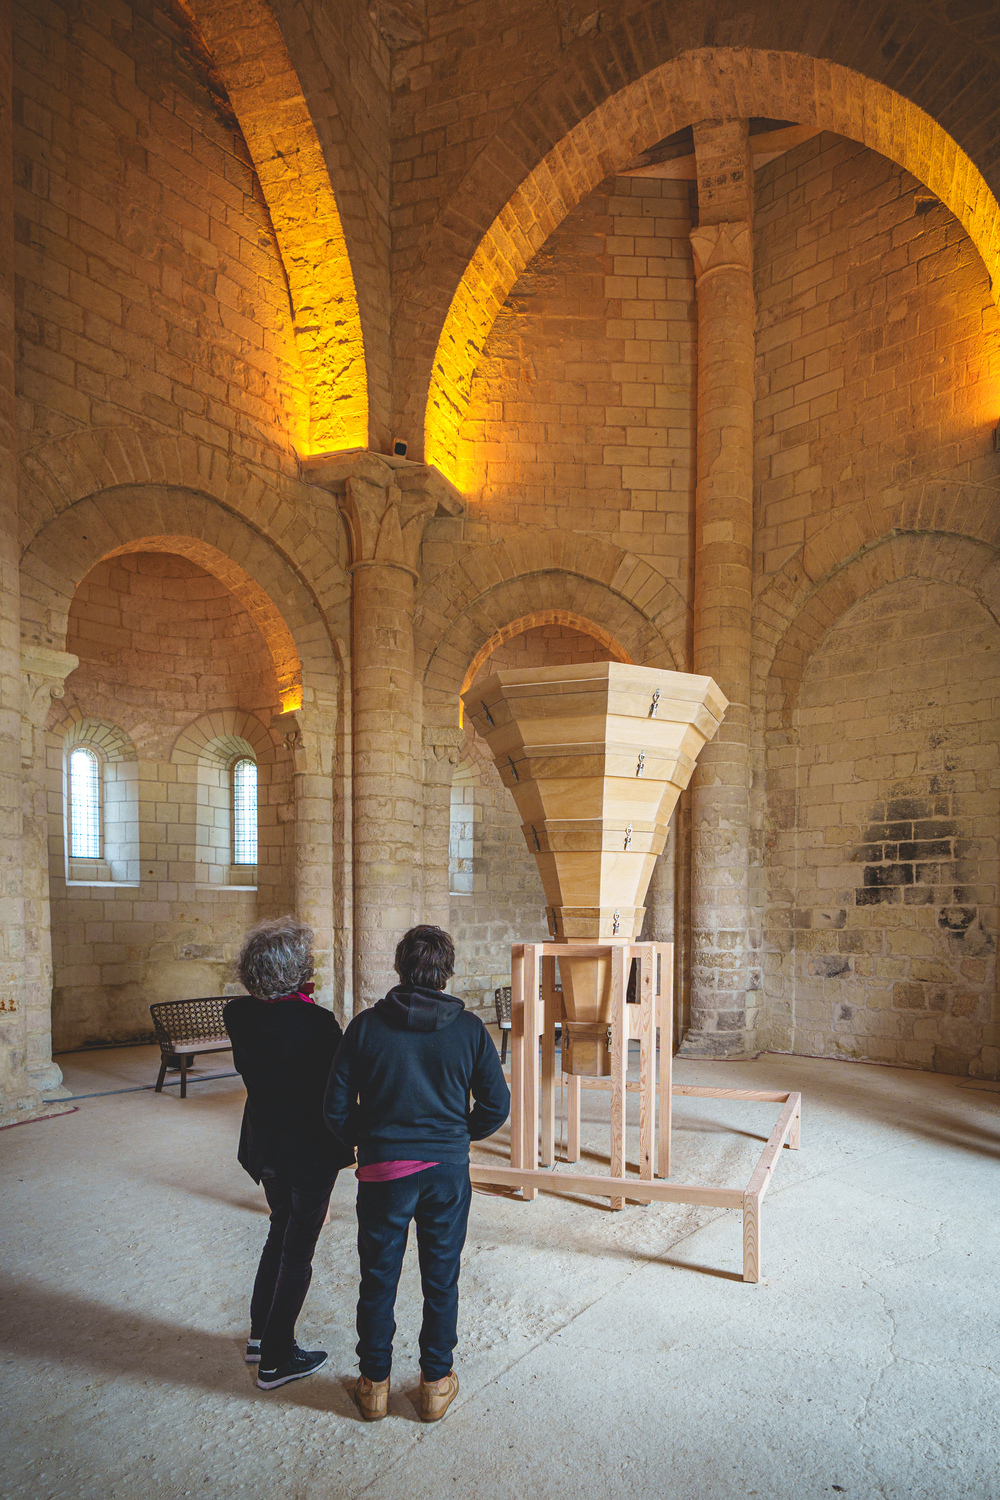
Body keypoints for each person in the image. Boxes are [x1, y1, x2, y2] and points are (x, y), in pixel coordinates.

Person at [325, 925, 510, 1423]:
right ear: (446, 971)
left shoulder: (365, 1027)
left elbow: (335, 1109)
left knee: (377, 1276)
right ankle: (434, 1385)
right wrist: (456, 1137)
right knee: (441, 1277)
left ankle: (374, 1386)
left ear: (400, 966)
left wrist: (369, 1140)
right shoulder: (469, 1030)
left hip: (385, 1170)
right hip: (447, 1171)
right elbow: (497, 1104)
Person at [224, 916, 354, 1390]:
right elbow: (338, 1088)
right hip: (310, 1151)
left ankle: (260, 1335)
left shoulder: (237, 1013)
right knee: (299, 1248)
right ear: (296, 971)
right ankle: (277, 1358)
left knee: (279, 1228)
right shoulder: (317, 1023)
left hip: (266, 1146)